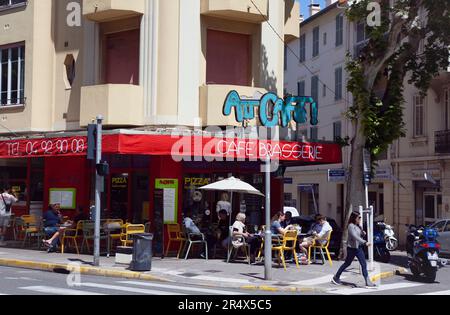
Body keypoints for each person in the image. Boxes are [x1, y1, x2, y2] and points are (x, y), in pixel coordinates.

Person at [332, 212, 377, 288]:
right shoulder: (350, 226)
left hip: (358, 248)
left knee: (364, 264)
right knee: (347, 263)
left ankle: (367, 281)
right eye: (358, 218)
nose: (360, 219)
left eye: (360, 218)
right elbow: (354, 236)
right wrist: (364, 242)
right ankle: (336, 277)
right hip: (351, 249)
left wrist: (363, 233)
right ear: (354, 218)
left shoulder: (358, 226)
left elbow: (359, 235)